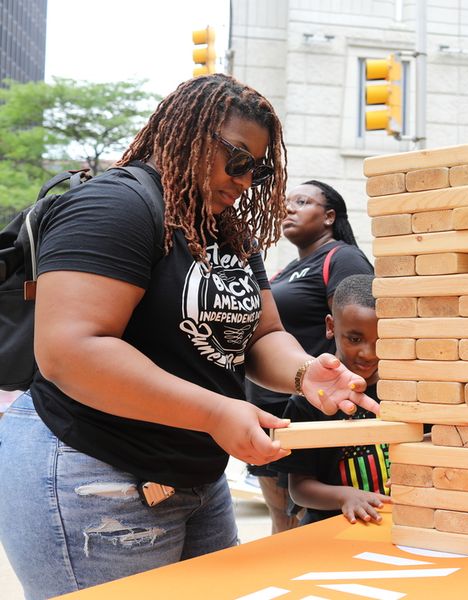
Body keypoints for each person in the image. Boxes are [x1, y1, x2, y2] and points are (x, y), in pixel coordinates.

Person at [0, 74, 377, 599]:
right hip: (93, 468)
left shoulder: (226, 232)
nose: (247, 179)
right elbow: (71, 350)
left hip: (195, 476)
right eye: (238, 159)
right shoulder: (118, 205)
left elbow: (263, 334)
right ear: (189, 134)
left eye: (259, 168)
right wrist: (216, 412)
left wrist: (304, 371)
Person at [245, 180, 373, 533]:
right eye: (286, 201)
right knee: (280, 520)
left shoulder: (341, 257)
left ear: (329, 216)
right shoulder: (288, 268)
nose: (288, 208)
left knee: (296, 524)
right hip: (272, 409)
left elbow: (359, 319)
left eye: (302, 201)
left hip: (316, 406)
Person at [270, 274, 391, 525]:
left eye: (381, 340)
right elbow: (299, 488)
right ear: (331, 326)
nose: (368, 353)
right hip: (332, 529)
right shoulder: (307, 403)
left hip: (395, 524)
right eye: (355, 339)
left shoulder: (405, 389)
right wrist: (345, 497)